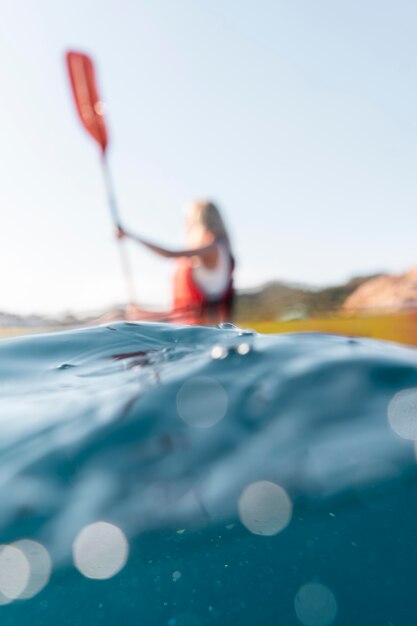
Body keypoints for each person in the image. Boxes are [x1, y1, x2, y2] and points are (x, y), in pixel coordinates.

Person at [117, 200, 235, 325]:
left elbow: (168, 254)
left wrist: (129, 235)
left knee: (113, 319)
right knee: (117, 317)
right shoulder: (218, 249)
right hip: (194, 329)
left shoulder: (212, 248)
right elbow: (184, 308)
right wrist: (145, 312)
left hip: (201, 332)